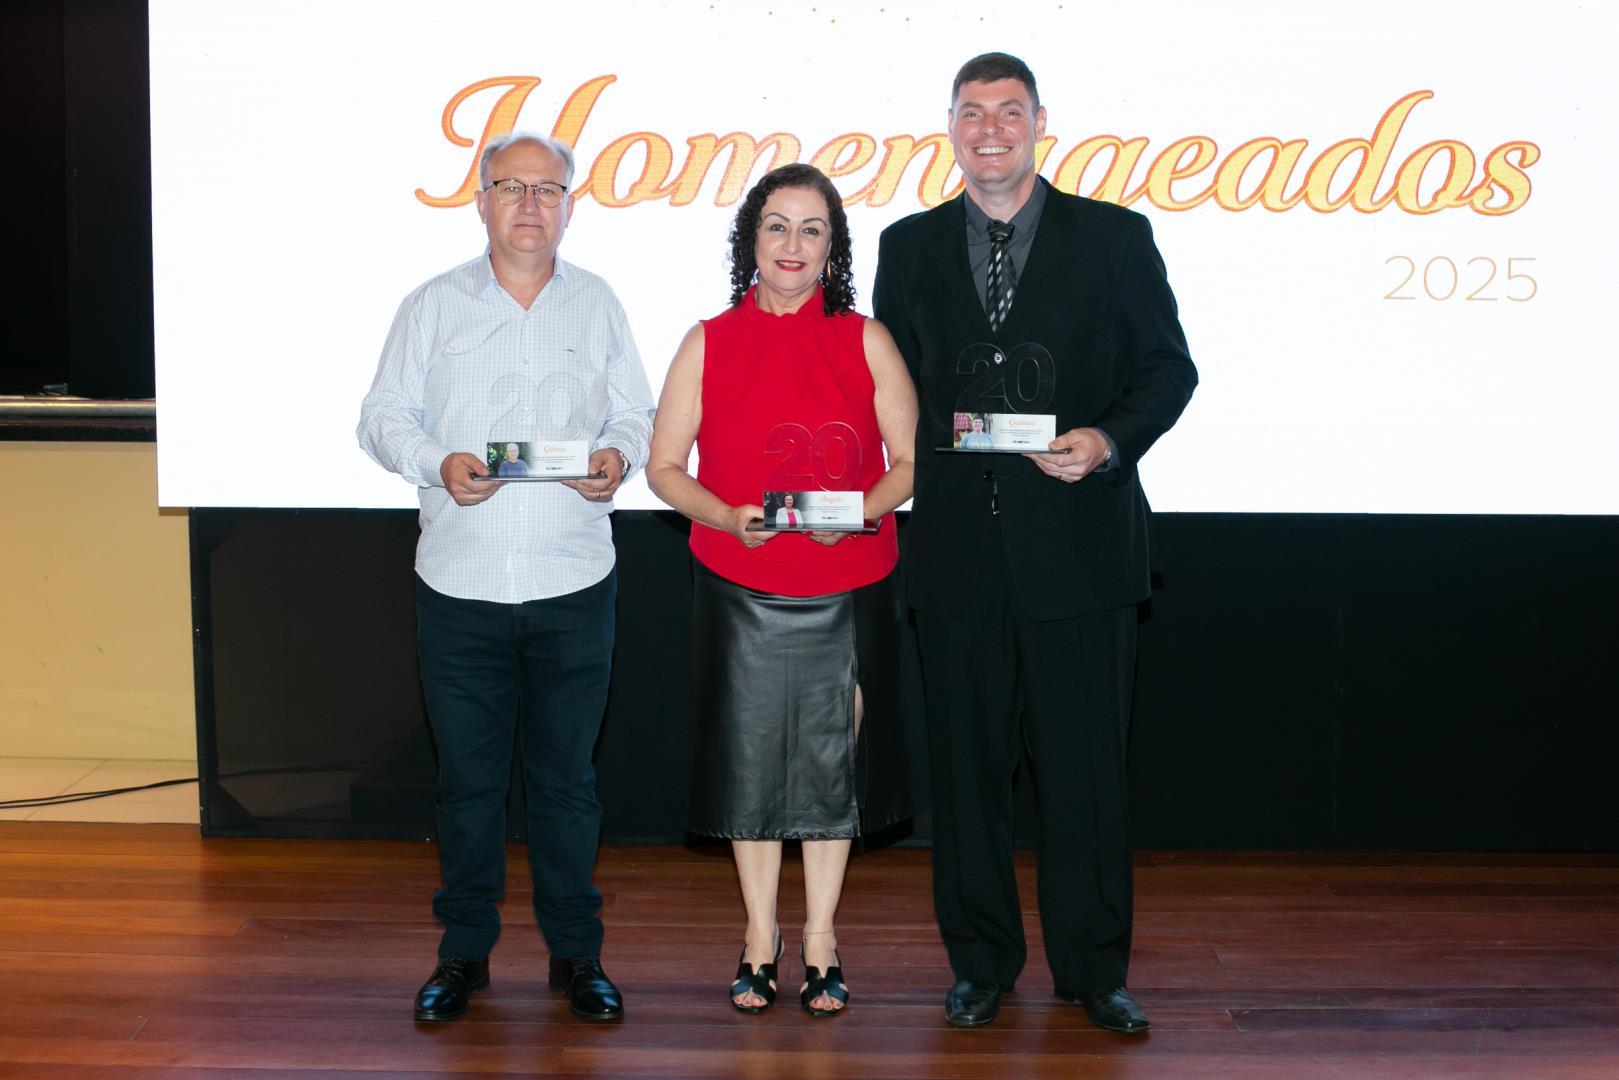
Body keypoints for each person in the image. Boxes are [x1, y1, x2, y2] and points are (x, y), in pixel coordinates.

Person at [873, 53, 1197, 1032]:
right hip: (956, 560)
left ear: (1039, 123)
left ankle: (1093, 972)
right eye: (971, 113)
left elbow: (1167, 370)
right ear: (949, 127)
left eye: (1007, 112)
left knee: (1085, 777)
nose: (989, 131)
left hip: (1081, 553)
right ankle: (980, 965)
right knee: (966, 779)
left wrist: (1106, 440)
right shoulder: (906, 246)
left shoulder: (1114, 236)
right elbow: (889, 393)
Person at [357, 131, 655, 1024]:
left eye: (548, 189)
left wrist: (617, 456)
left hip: (572, 580)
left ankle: (576, 955)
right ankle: (462, 955)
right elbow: (380, 416)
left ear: (570, 204)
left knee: (567, 785)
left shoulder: (597, 303)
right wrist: (434, 461)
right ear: (480, 199)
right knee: (467, 787)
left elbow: (635, 414)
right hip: (461, 583)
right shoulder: (431, 305)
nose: (530, 204)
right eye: (512, 187)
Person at [646, 163, 919, 1017]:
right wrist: (726, 517)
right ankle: (759, 938)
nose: (792, 244)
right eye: (776, 225)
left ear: (832, 247)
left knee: (832, 770)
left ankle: (821, 940)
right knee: (753, 771)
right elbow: (663, 469)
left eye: (811, 228)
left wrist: (862, 511)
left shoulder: (868, 339)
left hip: (848, 586)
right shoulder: (706, 340)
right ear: (750, 240)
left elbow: (910, 466)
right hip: (742, 585)